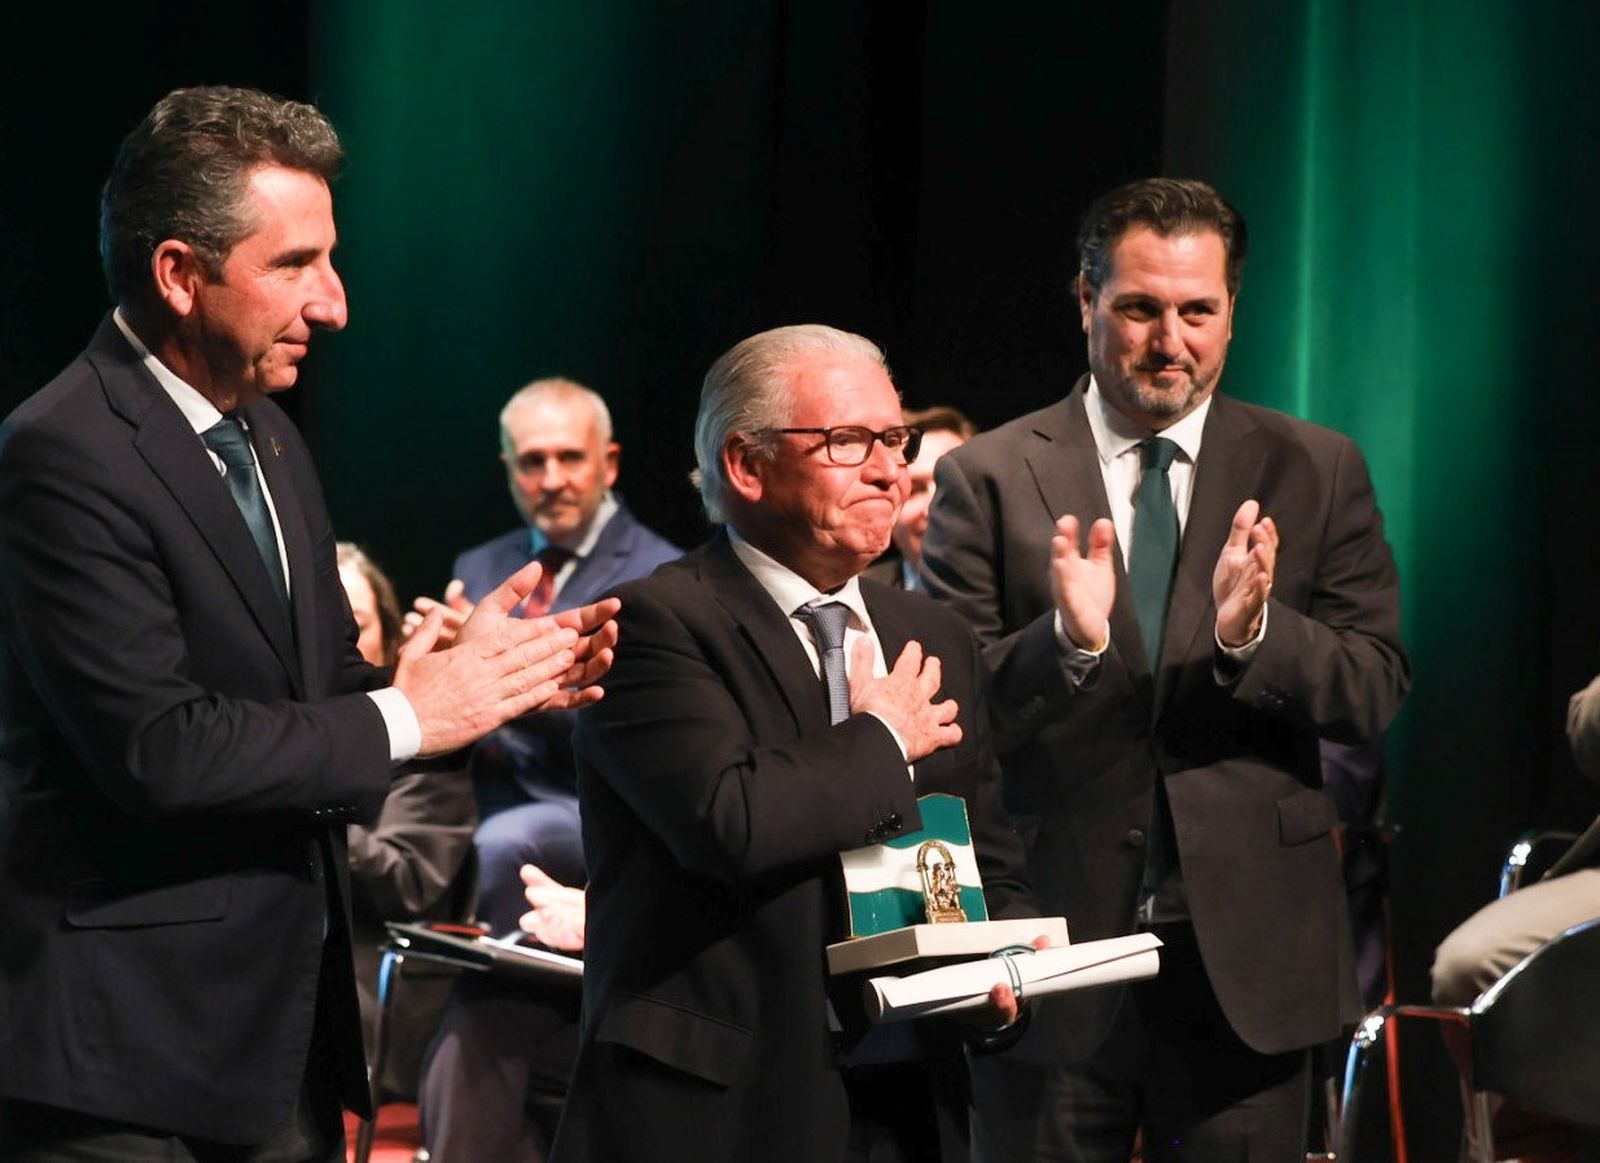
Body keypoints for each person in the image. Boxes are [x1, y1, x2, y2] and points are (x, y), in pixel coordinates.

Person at [0, 86, 617, 1163]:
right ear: (179, 273)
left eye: (329, 260)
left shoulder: (273, 440)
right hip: (128, 1064)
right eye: (294, 264)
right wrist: (410, 713)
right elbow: (160, 747)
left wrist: (472, 685)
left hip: (280, 1048)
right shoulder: (61, 452)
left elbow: (326, 692)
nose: (333, 304)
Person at [920, 177, 1411, 1160]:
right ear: (1085, 300)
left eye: (1197, 311)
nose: (1168, 340)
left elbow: (1372, 686)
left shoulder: (1318, 468)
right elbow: (947, 715)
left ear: (1232, 312)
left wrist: (1254, 636)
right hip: (1050, 948)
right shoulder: (986, 475)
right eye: (1140, 308)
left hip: (1250, 960)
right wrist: (1065, 643)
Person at [551, 324, 1038, 1163]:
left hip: (909, 1102)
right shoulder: (653, 622)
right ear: (747, 464)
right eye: (849, 441)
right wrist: (883, 737)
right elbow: (729, 819)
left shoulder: (935, 634)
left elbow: (987, 856)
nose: (889, 469)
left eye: (895, 439)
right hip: (722, 1110)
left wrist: (1010, 974)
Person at [411, 377, 679, 936]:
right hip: (465, 793)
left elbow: (635, 732)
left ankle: (488, 990)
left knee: (501, 842)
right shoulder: (479, 565)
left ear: (608, 464)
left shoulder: (658, 575)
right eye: (532, 462)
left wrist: (499, 670)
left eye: (570, 458)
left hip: (583, 801)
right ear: (508, 467)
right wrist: (434, 662)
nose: (551, 480)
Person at [337, 543, 476, 1094]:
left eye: (356, 623)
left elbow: (407, 881)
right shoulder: (265, 731)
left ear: (393, 639)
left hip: (365, 983)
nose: (338, 640)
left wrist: (300, 807)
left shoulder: (426, 738)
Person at [865, 405, 976, 592]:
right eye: (914, 489)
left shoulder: (1023, 587)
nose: (934, 508)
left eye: (953, 485)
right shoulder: (858, 596)